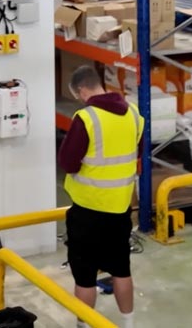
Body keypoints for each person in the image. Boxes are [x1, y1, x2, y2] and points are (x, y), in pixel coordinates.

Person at [57, 62, 143, 328]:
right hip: (119, 210)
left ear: (83, 90)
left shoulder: (86, 118)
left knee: (84, 276)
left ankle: (84, 325)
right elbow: (137, 152)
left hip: (88, 210)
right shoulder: (133, 113)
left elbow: (68, 163)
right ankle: (127, 324)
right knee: (121, 268)